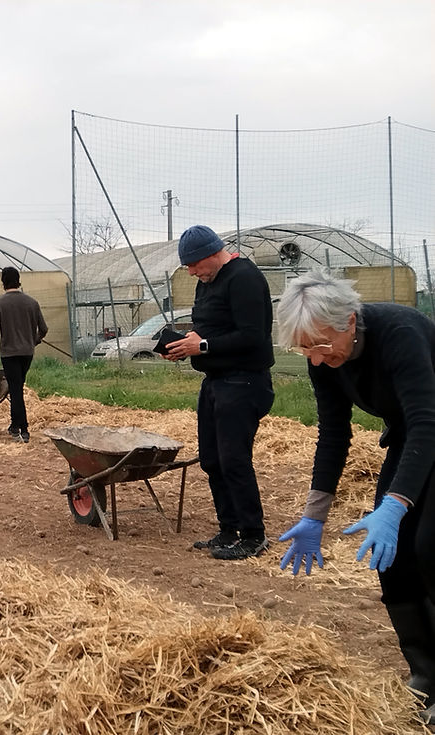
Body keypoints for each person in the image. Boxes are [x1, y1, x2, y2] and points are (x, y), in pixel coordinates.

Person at [276, 269, 435, 724]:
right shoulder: (321, 358)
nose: (316, 358)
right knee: (392, 556)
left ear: (350, 320)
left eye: (321, 344)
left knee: (428, 546)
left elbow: (427, 420)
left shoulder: (399, 333)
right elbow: (333, 434)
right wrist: (315, 516)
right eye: (304, 348)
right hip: (412, 434)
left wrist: (396, 504)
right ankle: (425, 673)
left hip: (430, 424)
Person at [163, 225, 275, 560]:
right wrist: (184, 345)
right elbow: (207, 328)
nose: (192, 272)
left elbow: (253, 335)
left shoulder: (244, 278)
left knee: (234, 460)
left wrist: (205, 345)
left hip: (244, 381)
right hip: (215, 381)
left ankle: (254, 535)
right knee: (212, 460)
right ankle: (229, 529)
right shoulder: (206, 283)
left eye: (194, 265)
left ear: (213, 254)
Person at [0, 267, 48, 443]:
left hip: (9, 354)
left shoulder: (0, 303)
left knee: (16, 391)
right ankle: (15, 425)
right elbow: (43, 329)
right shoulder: (32, 302)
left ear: (3, 282)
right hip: (27, 353)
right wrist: (34, 340)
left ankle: (23, 429)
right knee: (17, 387)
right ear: (18, 280)